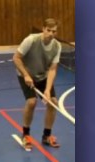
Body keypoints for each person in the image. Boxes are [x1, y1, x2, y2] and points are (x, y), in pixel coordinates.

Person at [12, 18, 64, 150]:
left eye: (54, 31)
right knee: (31, 102)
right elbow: (16, 58)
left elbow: (52, 69)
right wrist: (26, 75)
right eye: (49, 30)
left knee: (53, 102)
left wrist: (47, 90)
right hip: (26, 74)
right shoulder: (31, 40)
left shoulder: (57, 46)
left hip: (42, 75)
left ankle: (47, 135)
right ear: (43, 29)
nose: (51, 34)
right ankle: (26, 135)